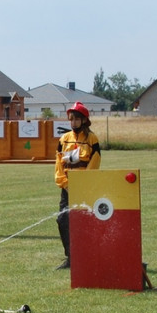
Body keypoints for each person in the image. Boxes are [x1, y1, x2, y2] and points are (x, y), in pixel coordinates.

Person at [53, 102, 102, 270]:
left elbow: (94, 162)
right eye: (71, 119)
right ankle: (71, 257)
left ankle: (88, 254)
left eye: (76, 119)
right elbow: (59, 164)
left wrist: (82, 184)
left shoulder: (92, 139)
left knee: (85, 222)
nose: (73, 123)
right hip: (67, 188)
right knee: (62, 220)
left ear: (84, 120)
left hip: (84, 188)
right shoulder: (63, 139)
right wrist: (64, 184)